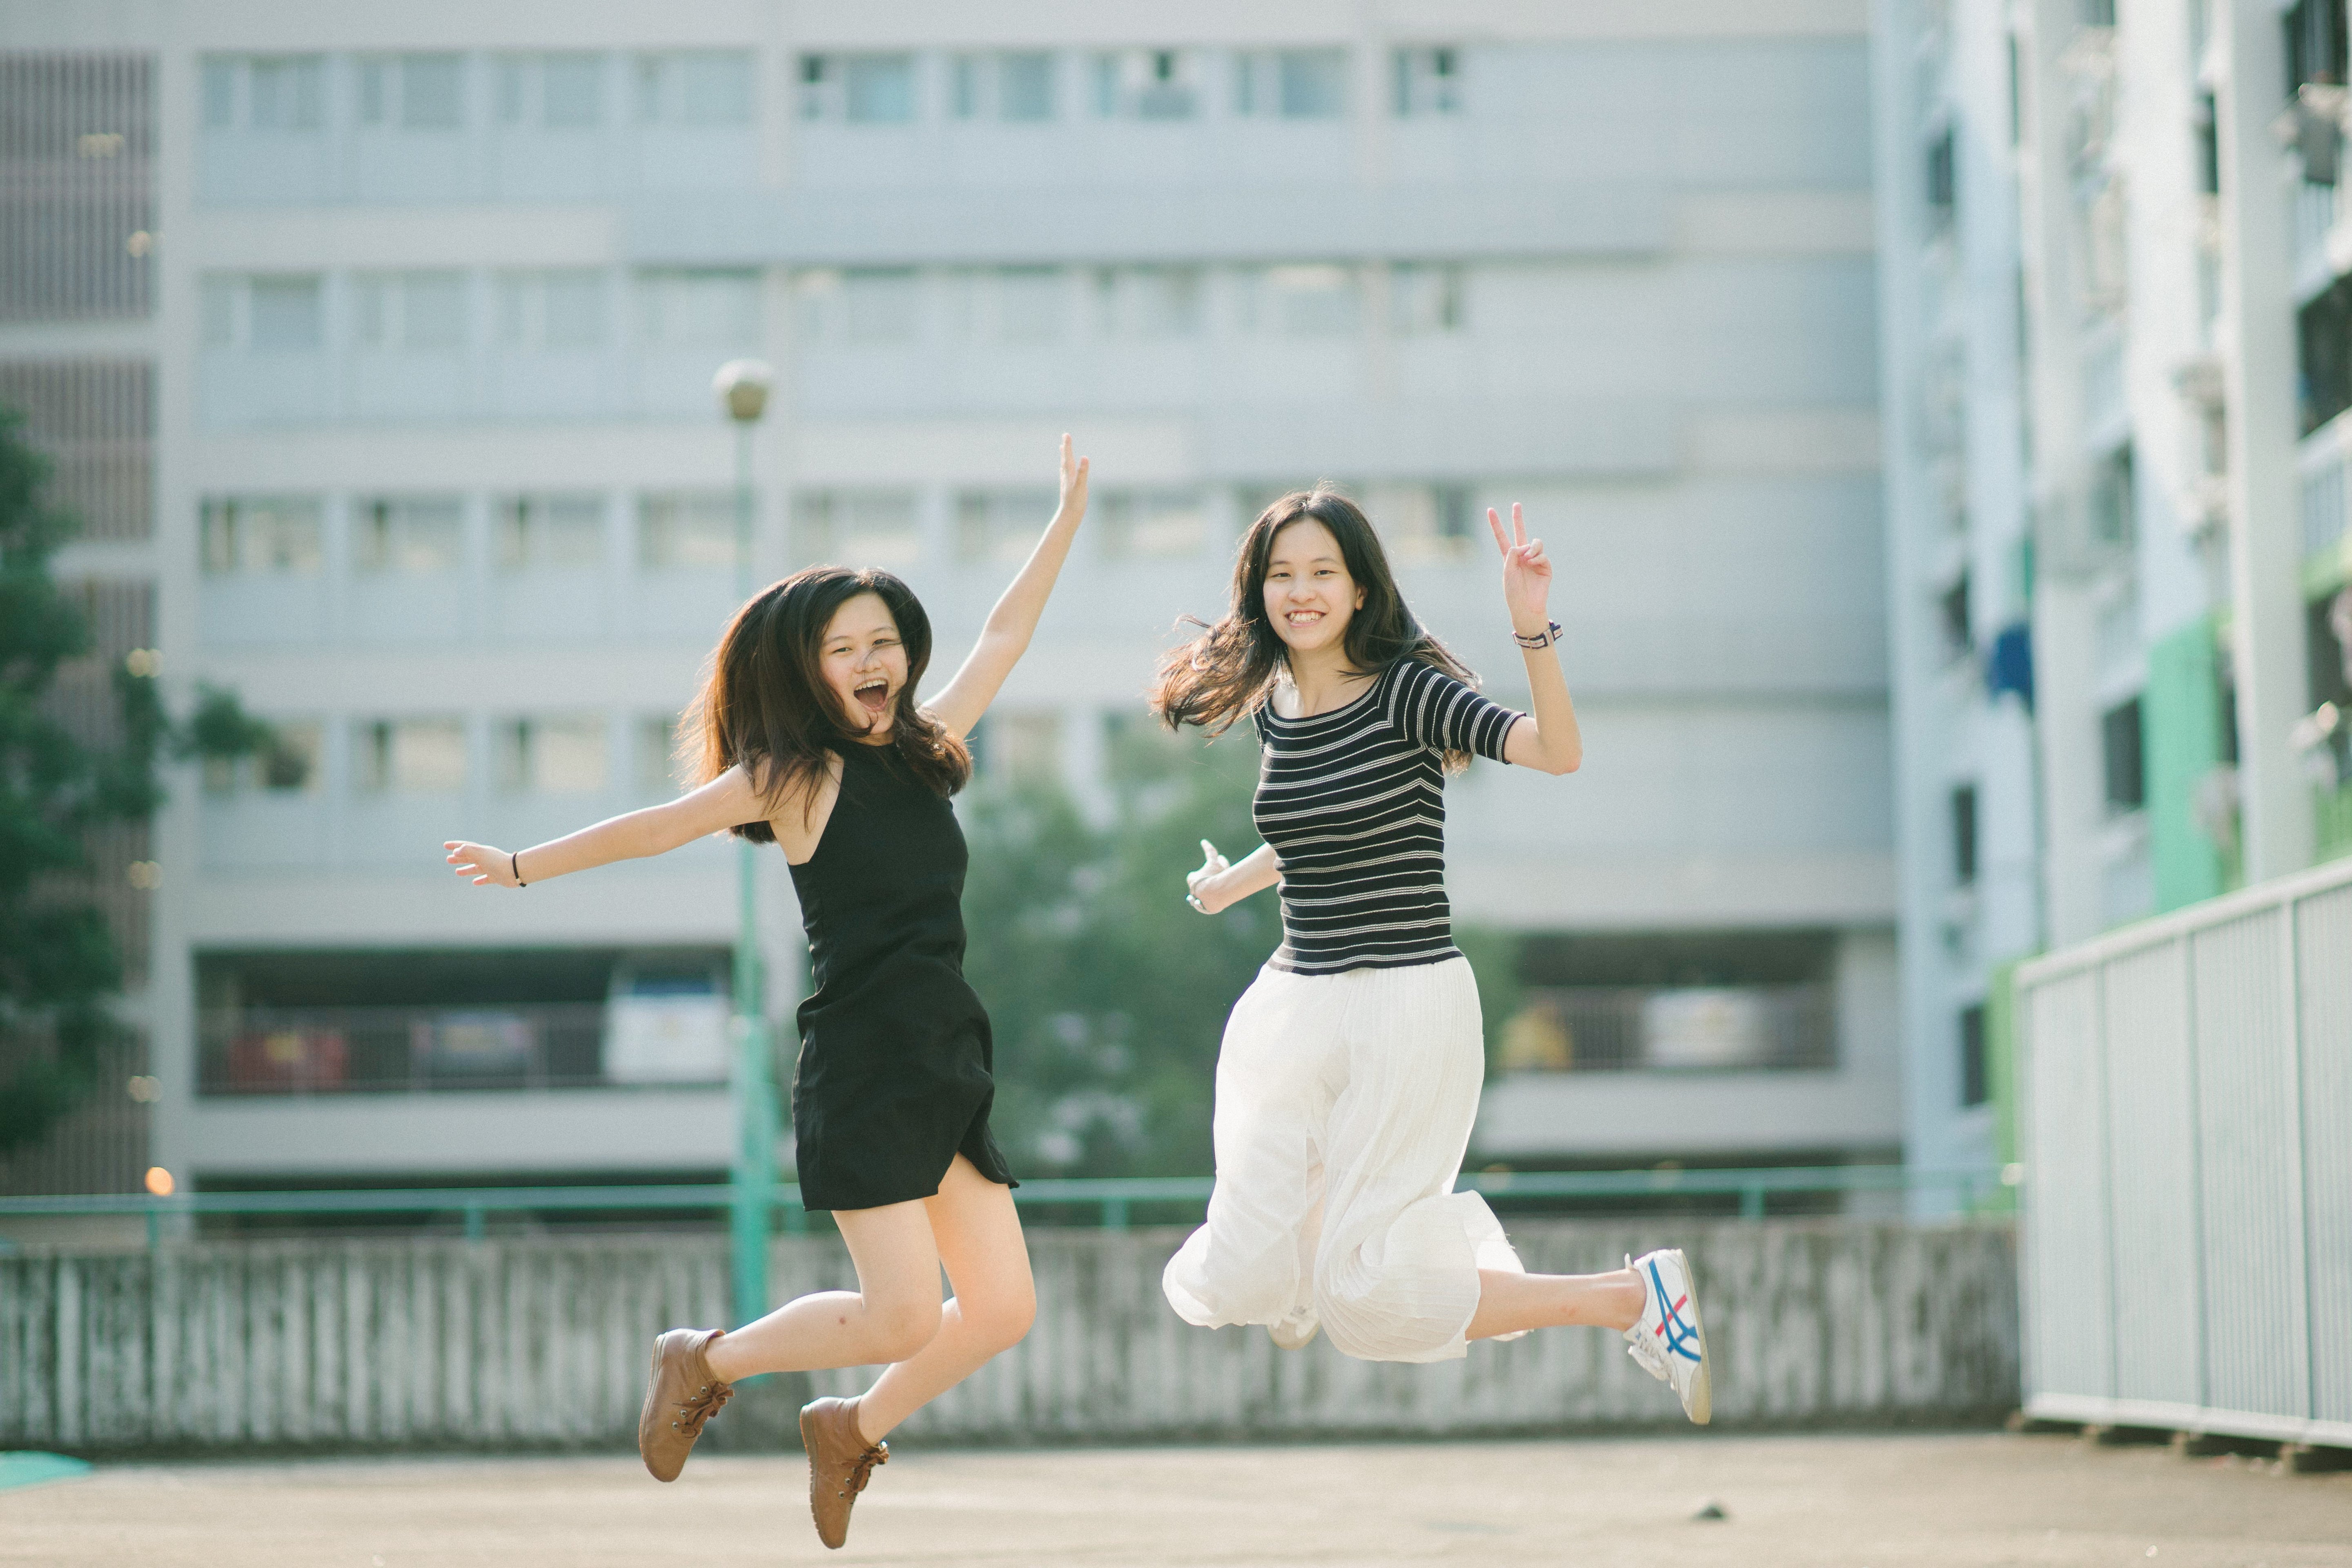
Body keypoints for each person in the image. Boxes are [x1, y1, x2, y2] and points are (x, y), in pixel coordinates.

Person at [443, 437, 1091, 1546]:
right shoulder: (796, 779)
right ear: (808, 673)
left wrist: (1068, 511)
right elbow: (656, 827)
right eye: (845, 648)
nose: (872, 658)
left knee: (1002, 1310)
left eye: (885, 640)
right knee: (896, 1314)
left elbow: (1004, 634)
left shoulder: (928, 750)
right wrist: (519, 867)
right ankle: (706, 1359)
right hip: (866, 1059)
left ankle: (848, 1428)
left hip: (946, 1054)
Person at [1150, 488, 1711, 1422]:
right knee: (1234, 1270)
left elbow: (1556, 751)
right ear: (1259, 593)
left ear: (1362, 589)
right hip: (1297, 1001)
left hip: (1405, 1003)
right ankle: (1304, 1267)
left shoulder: (1410, 691)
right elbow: (1313, 826)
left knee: (1364, 1300)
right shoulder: (1279, 703)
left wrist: (1533, 629)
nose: (1303, 591)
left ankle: (1633, 1298)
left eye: (1324, 572)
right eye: (1282, 575)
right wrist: (1230, 885)